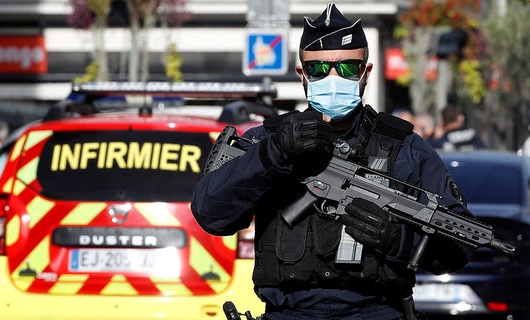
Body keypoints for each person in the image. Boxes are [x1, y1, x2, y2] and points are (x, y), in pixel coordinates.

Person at [191, 4, 474, 320]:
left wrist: (399, 240)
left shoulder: (404, 147)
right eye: (319, 69)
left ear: (366, 73)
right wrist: (269, 156)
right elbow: (210, 215)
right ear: (302, 75)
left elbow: (458, 248)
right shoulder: (269, 140)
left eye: (348, 69)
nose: (334, 78)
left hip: (376, 312)